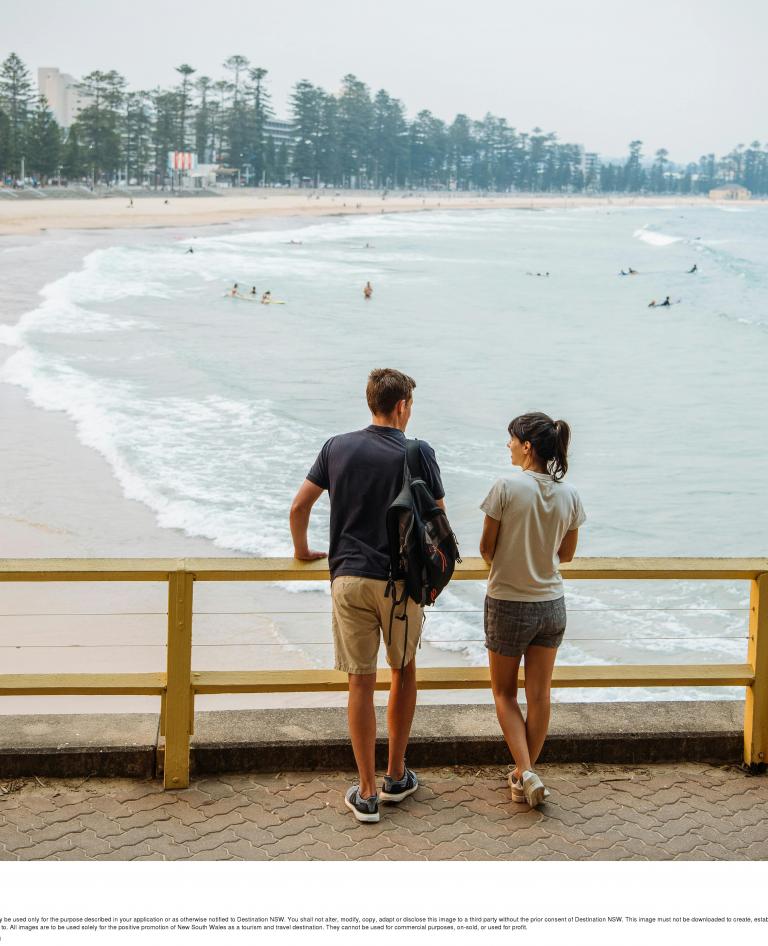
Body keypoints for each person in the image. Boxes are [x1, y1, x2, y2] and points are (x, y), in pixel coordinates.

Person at [290, 368, 446, 824]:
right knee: (403, 670)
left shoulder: (336, 447)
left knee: (360, 681)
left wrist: (303, 552)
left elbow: (300, 506)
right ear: (402, 406)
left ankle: (366, 792)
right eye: (411, 404)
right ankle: (397, 775)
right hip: (400, 584)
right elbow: (437, 520)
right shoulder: (419, 452)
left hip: (349, 579)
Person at [479, 412, 585, 808]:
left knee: (504, 694)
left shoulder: (505, 487)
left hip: (508, 602)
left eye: (511, 439)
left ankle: (524, 772)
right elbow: (567, 555)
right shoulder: (569, 494)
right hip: (551, 605)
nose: (507, 445)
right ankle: (526, 774)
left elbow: (486, 548)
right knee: (539, 696)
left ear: (527, 446)